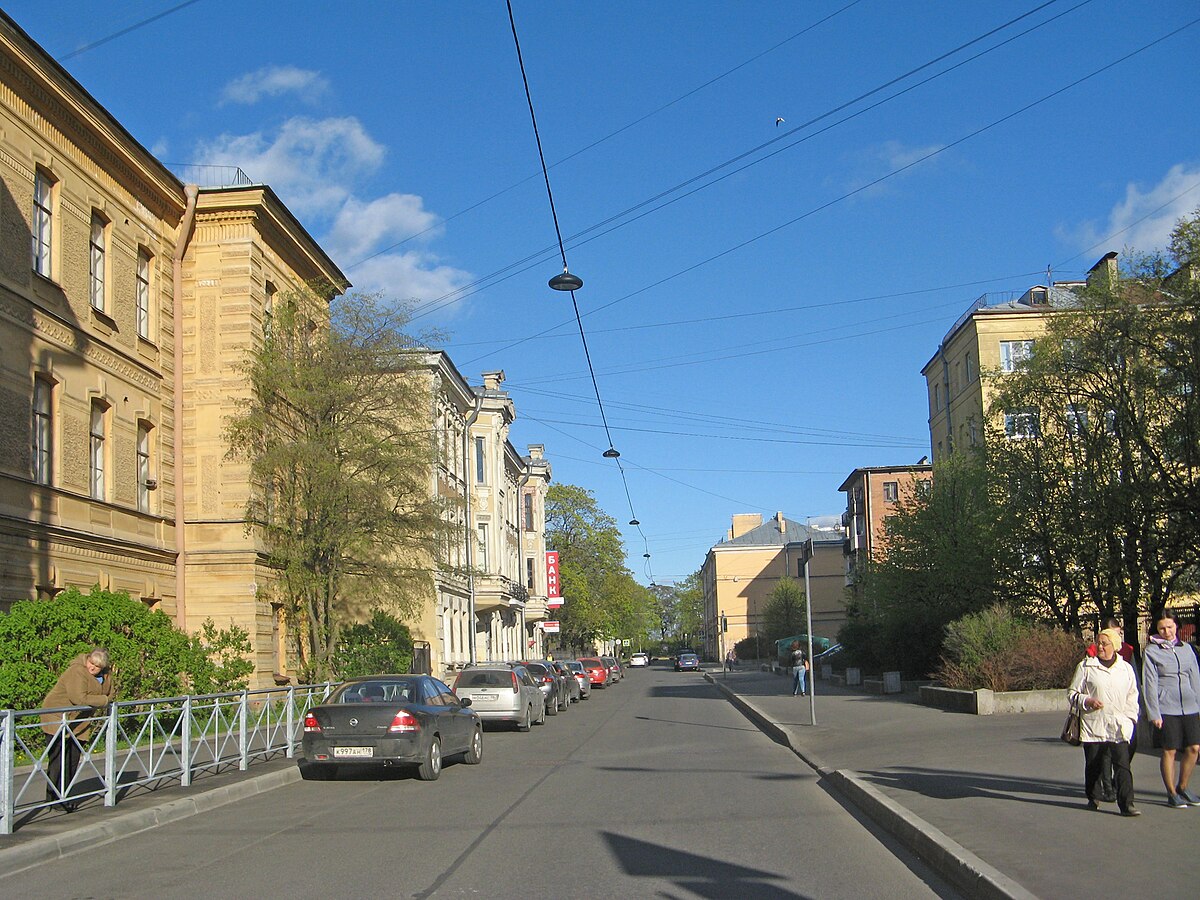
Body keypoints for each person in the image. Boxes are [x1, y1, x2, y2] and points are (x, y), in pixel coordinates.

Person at [1068, 628, 1140, 816]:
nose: (1099, 646)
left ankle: (1127, 804)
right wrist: (1087, 701)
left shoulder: (1125, 668)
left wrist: (1131, 719)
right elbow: (1072, 694)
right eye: (1098, 642)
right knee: (1094, 764)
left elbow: (1133, 695)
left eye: (1104, 643)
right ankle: (1093, 796)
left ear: (1115, 646)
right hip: (1094, 724)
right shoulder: (1086, 667)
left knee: (1123, 765)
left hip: (1119, 725)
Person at [40, 647, 117, 812]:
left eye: (97, 667)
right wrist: (104, 700)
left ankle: (65, 796)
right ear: (87, 659)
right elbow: (79, 698)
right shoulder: (77, 670)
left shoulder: (106, 675)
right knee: (58, 758)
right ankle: (53, 798)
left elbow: (112, 693)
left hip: (79, 722)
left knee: (72, 760)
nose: (92, 668)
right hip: (57, 717)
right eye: (91, 663)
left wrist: (104, 698)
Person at [1142, 612, 1200, 808]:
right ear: (1157, 630)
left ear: (1177, 626)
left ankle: (1183, 786)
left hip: (1189, 706)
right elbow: (1149, 683)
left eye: (1170, 627)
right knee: (1170, 750)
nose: (1167, 631)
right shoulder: (1151, 651)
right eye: (1162, 628)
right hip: (1166, 707)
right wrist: (1154, 712)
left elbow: (1195, 678)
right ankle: (1171, 792)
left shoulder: (1187, 649)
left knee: (1194, 749)